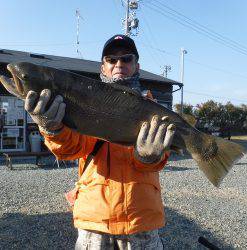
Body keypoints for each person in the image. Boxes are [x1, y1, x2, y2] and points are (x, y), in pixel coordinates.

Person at [24, 34, 176, 249]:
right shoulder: (83, 100)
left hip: (140, 219)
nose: (119, 64)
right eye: (111, 60)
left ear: (137, 65)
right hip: (95, 219)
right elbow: (71, 149)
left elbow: (160, 160)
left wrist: (149, 157)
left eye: (126, 59)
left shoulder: (153, 111)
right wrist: (52, 129)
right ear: (102, 67)